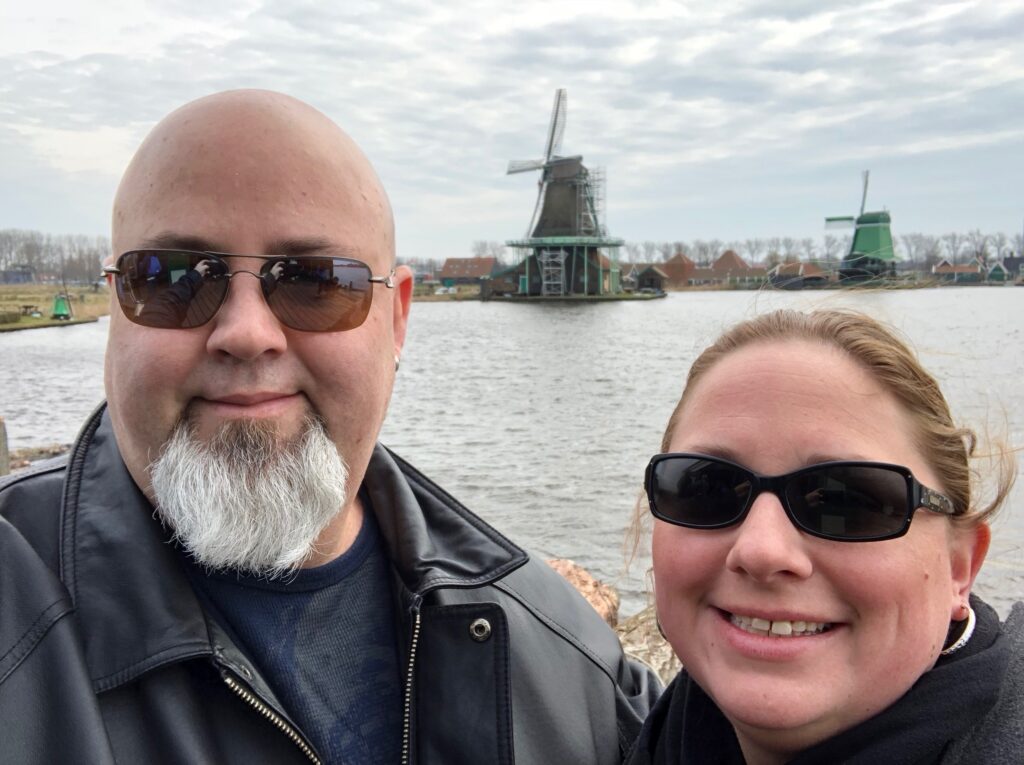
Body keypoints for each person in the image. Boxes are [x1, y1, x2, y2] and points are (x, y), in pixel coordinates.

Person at [0, 90, 658, 765]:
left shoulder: (561, 661)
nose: (247, 333)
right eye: (173, 277)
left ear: (397, 319)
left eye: (317, 282)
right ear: (115, 304)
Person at [627, 309, 1022, 764]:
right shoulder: (653, 739)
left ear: (960, 567)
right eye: (707, 489)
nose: (761, 550)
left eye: (845, 503)